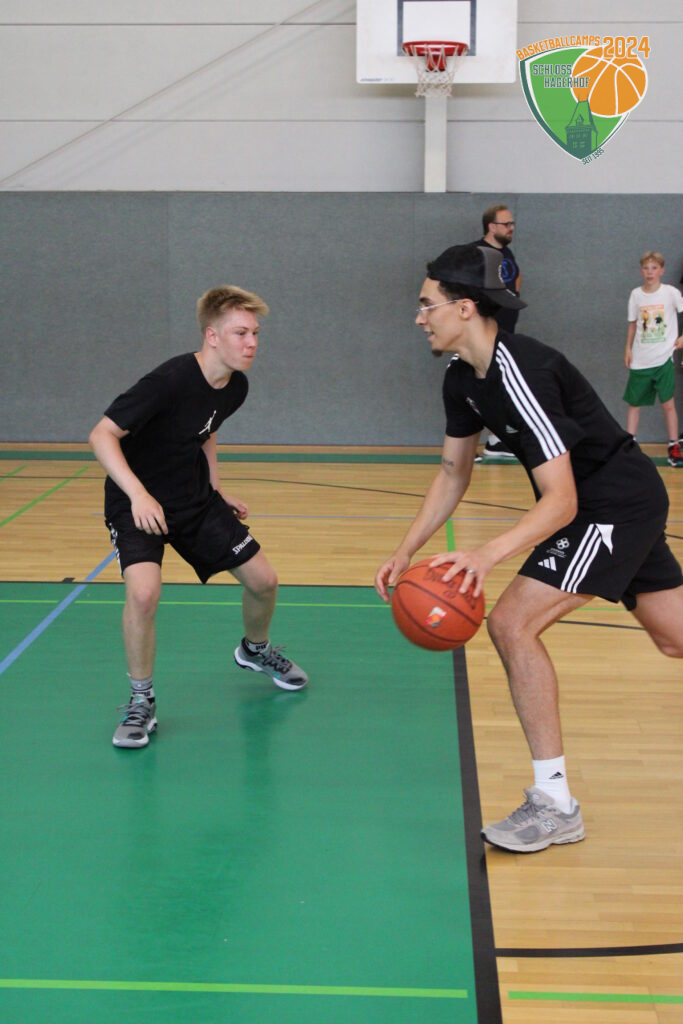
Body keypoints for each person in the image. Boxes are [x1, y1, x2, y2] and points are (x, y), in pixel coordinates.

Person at [375, 243, 683, 853]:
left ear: (465, 307)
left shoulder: (523, 372)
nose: (419, 317)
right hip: (611, 501)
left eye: (427, 305)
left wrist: (485, 555)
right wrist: (407, 550)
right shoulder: (462, 379)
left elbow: (561, 502)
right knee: (674, 638)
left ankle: (554, 803)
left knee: (511, 623)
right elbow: (453, 473)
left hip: (610, 505)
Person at [89, 285, 308, 750]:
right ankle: (141, 700)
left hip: (192, 499)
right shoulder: (168, 381)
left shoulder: (235, 385)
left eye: (255, 333)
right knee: (144, 594)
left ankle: (255, 650)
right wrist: (139, 495)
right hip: (137, 503)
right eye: (241, 333)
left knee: (264, 581)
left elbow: (205, 431)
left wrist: (216, 487)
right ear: (212, 335)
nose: (252, 342)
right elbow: (102, 435)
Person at [623, 251, 683, 467]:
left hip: (663, 358)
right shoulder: (636, 295)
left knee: (668, 405)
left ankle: (673, 446)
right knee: (634, 404)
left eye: (654, 268)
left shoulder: (671, 293)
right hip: (641, 359)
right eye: (646, 268)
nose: (650, 272)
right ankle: (629, 445)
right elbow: (632, 324)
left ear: (662, 270)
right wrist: (627, 348)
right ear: (641, 271)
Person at [476, 203, 522, 461]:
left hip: (506, 330)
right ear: (492, 226)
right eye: (506, 224)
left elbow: (516, 278)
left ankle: (496, 440)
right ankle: (483, 442)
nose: (511, 228)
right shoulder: (477, 252)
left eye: (512, 223)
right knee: (484, 383)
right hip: (485, 332)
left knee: (499, 382)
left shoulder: (507, 252)